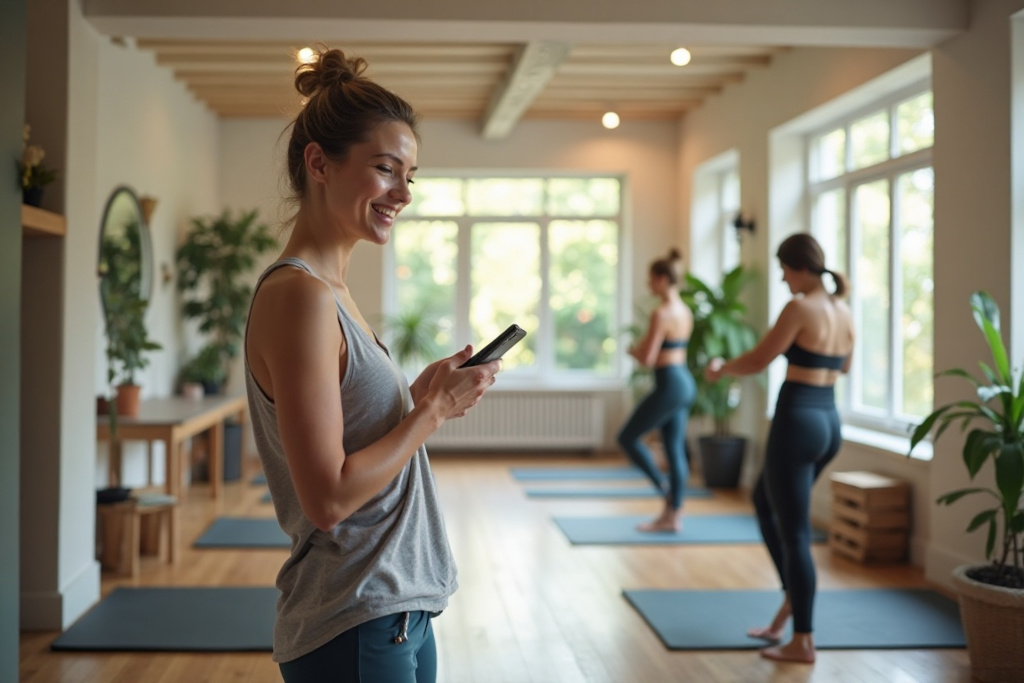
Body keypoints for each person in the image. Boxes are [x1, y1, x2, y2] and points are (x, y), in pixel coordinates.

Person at [243, 48, 501, 682]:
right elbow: (328, 498)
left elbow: (352, 437)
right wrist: (432, 413)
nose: (402, 194)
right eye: (386, 170)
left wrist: (416, 402)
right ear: (319, 163)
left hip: (395, 610)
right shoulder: (299, 296)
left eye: (410, 176)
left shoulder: (333, 294)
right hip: (352, 614)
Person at [705, 233, 854, 664]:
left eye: (784, 269)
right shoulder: (843, 310)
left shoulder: (799, 307)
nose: (783, 278)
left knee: (795, 534)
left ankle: (802, 639)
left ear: (799, 267)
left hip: (797, 423)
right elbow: (844, 365)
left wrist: (720, 368)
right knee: (764, 503)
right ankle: (793, 596)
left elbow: (757, 360)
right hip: (829, 422)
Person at [617, 249, 696, 532]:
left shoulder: (661, 313)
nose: (649, 286)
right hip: (684, 381)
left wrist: (632, 350)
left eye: (651, 280)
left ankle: (667, 496)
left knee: (627, 437)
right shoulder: (685, 311)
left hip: (670, 383)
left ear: (663, 279)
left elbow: (649, 358)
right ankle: (672, 515)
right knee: (674, 449)